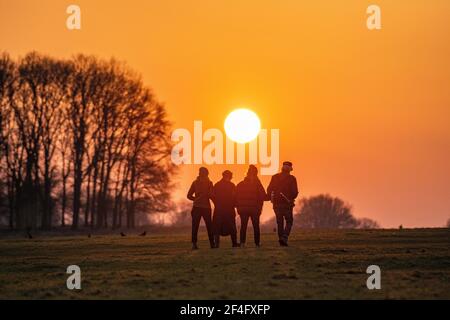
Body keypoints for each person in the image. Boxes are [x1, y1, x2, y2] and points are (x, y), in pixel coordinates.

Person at [267, 161, 299, 247]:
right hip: (287, 204)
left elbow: (269, 190)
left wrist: (272, 198)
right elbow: (295, 192)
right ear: (290, 169)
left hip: (276, 204)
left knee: (279, 222)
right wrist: (291, 198)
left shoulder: (274, 177)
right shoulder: (292, 179)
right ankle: (284, 237)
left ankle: (281, 239)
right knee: (289, 221)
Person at [236, 165, 268, 247]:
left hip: (243, 209)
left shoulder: (240, 184)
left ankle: (242, 243)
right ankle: (257, 243)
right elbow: (263, 196)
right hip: (255, 209)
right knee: (256, 226)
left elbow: (235, 197)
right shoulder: (257, 184)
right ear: (256, 173)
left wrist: (238, 207)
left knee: (243, 226)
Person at [187, 167, 215, 250]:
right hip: (206, 208)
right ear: (207, 174)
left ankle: (194, 244)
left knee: (195, 226)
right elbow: (211, 195)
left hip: (196, 207)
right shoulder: (209, 183)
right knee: (209, 226)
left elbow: (188, 195)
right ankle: (212, 244)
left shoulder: (195, 183)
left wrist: (195, 199)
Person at [211, 170, 239, 248]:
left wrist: (216, 203)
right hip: (229, 209)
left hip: (219, 209)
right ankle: (234, 243)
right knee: (232, 226)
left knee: (217, 226)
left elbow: (212, 195)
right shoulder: (232, 185)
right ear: (229, 176)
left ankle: (217, 245)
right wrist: (234, 204)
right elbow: (235, 197)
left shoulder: (217, 185)